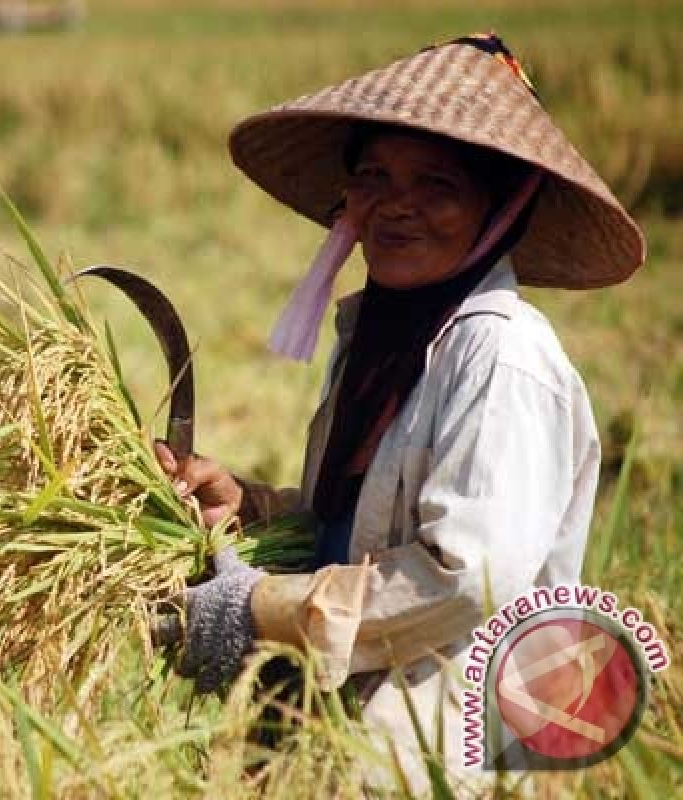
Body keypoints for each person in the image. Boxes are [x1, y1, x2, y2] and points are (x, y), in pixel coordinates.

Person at [153, 34, 644, 792]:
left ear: (502, 207)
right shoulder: (382, 340)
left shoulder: (501, 362)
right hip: (324, 741)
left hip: (428, 760)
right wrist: (252, 509)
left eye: (438, 183)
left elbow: (462, 578)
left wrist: (258, 608)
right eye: (373, 176)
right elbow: (361, 529)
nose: (396, 205)